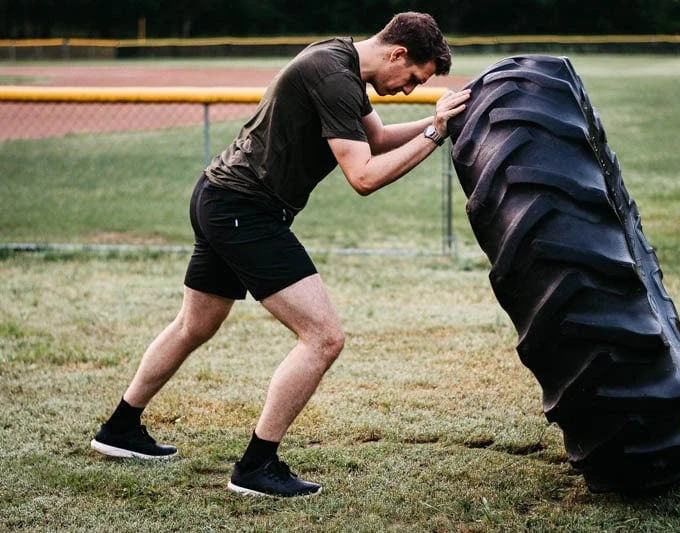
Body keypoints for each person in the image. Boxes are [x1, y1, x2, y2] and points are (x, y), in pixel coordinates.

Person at [90, 12, 471, 498]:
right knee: (323, 337)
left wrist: (442, 120)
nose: (407, 89)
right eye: (413, 78)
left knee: (194, 326)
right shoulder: (336, 77)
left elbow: (375, 139)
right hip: (244, 211)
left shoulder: (339, 62)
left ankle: (119, 429)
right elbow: (365, 176)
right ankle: (256, 466)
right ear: (397, 54)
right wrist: (435, 135)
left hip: (219, 195)